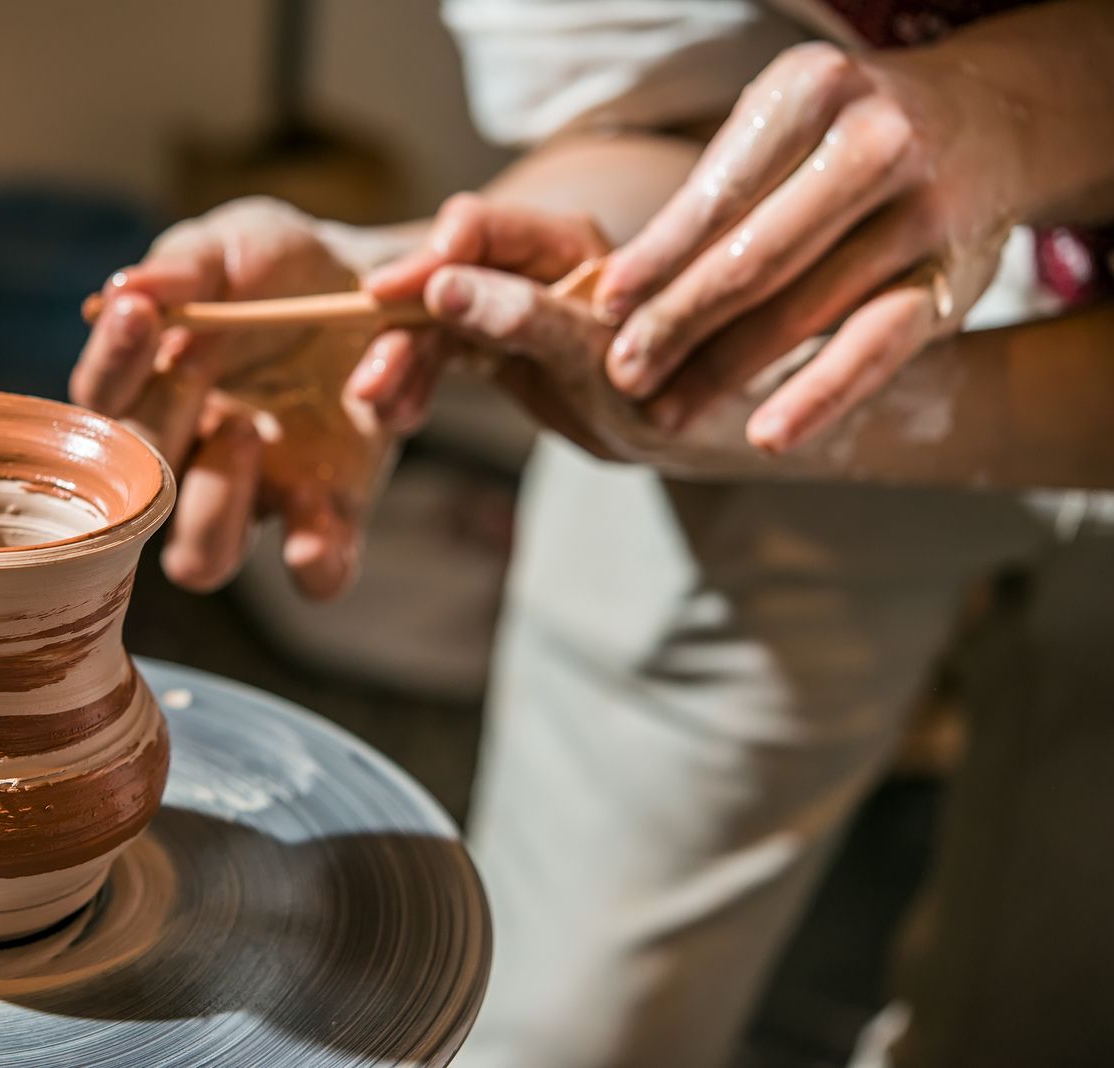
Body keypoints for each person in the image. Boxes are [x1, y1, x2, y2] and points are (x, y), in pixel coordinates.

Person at [72, 1, 1114, 1064]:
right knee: (556, 1026)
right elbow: (675, 131)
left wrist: (1013, 120)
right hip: (795, 356)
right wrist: (402, 285)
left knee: (1043, 1011)